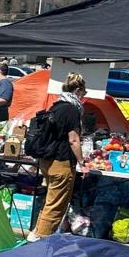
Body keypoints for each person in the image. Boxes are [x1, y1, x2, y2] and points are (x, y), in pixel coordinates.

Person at [30, 73, 86, 242]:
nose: (84, 96)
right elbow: (74, 140)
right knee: (56, 205)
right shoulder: (71, 109)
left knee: (49, 201)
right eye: (84, 92)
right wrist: (83, 163)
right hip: (61, 161)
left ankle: (36, 233)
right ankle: (40, 240)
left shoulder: (56, 105)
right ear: (77, 90)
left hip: (47, 160)